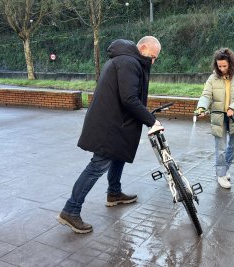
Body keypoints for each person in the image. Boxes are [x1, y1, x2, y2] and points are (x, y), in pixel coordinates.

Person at [57, 36, 163, 234]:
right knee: (97, 166)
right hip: (110, 125)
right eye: (153, 56)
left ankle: (114, 193)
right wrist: (151, 121)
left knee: (118, 156)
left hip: (115, 123)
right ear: (143, 47)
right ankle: (70, 210)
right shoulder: (129, 62)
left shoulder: (124, 59)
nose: (153, 61)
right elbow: (129, 98)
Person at [195, 48, 234, 189]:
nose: (222, 69)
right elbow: (206, 95)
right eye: (219, 66)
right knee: (220, 148)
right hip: (219, 117)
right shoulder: (213, 78)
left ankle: (224, 168)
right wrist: (201, 107)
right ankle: (221, 175)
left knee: (233, 146)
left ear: (231, 64)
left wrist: (233, 107)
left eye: (224, 66)